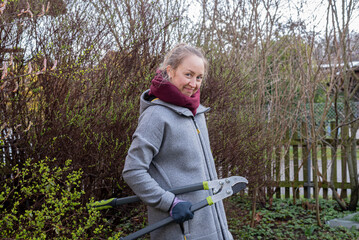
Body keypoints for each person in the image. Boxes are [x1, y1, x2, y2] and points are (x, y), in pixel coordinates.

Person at [122, 43, 233, 240]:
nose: (194, 83)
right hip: (180, 230)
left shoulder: (197, 114)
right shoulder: (156, 116)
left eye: (199, 77)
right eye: (188, 74)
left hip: (211, 227)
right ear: (170, 71)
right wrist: (170, 203)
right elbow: (133, 170)